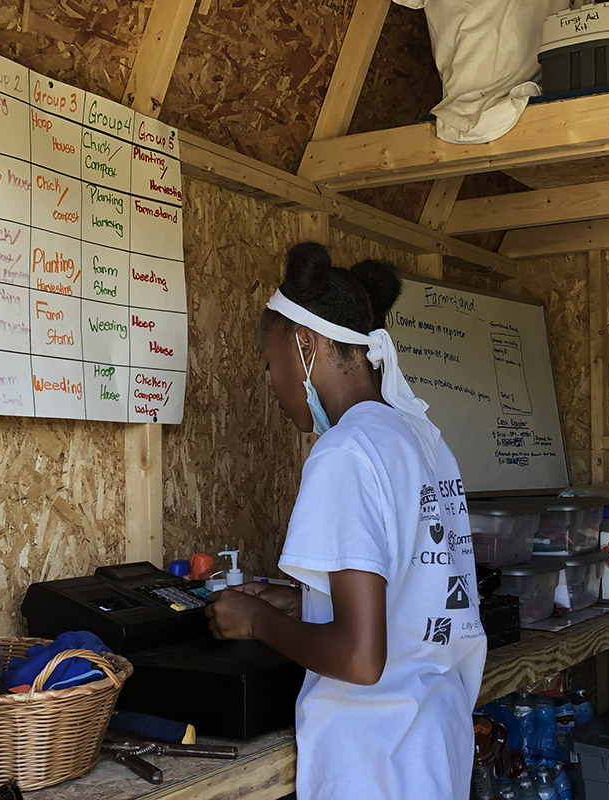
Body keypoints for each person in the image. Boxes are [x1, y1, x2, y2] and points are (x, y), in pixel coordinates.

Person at [206, 242, 487, 800]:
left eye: (270, 363)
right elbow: (417, 583)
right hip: (432, 742)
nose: (271, 383)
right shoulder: (418, 436)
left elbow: (360, 659)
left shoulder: (344, 452)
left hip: (375, 760)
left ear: (304, 345)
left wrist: (256, 623)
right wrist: (304, 603)